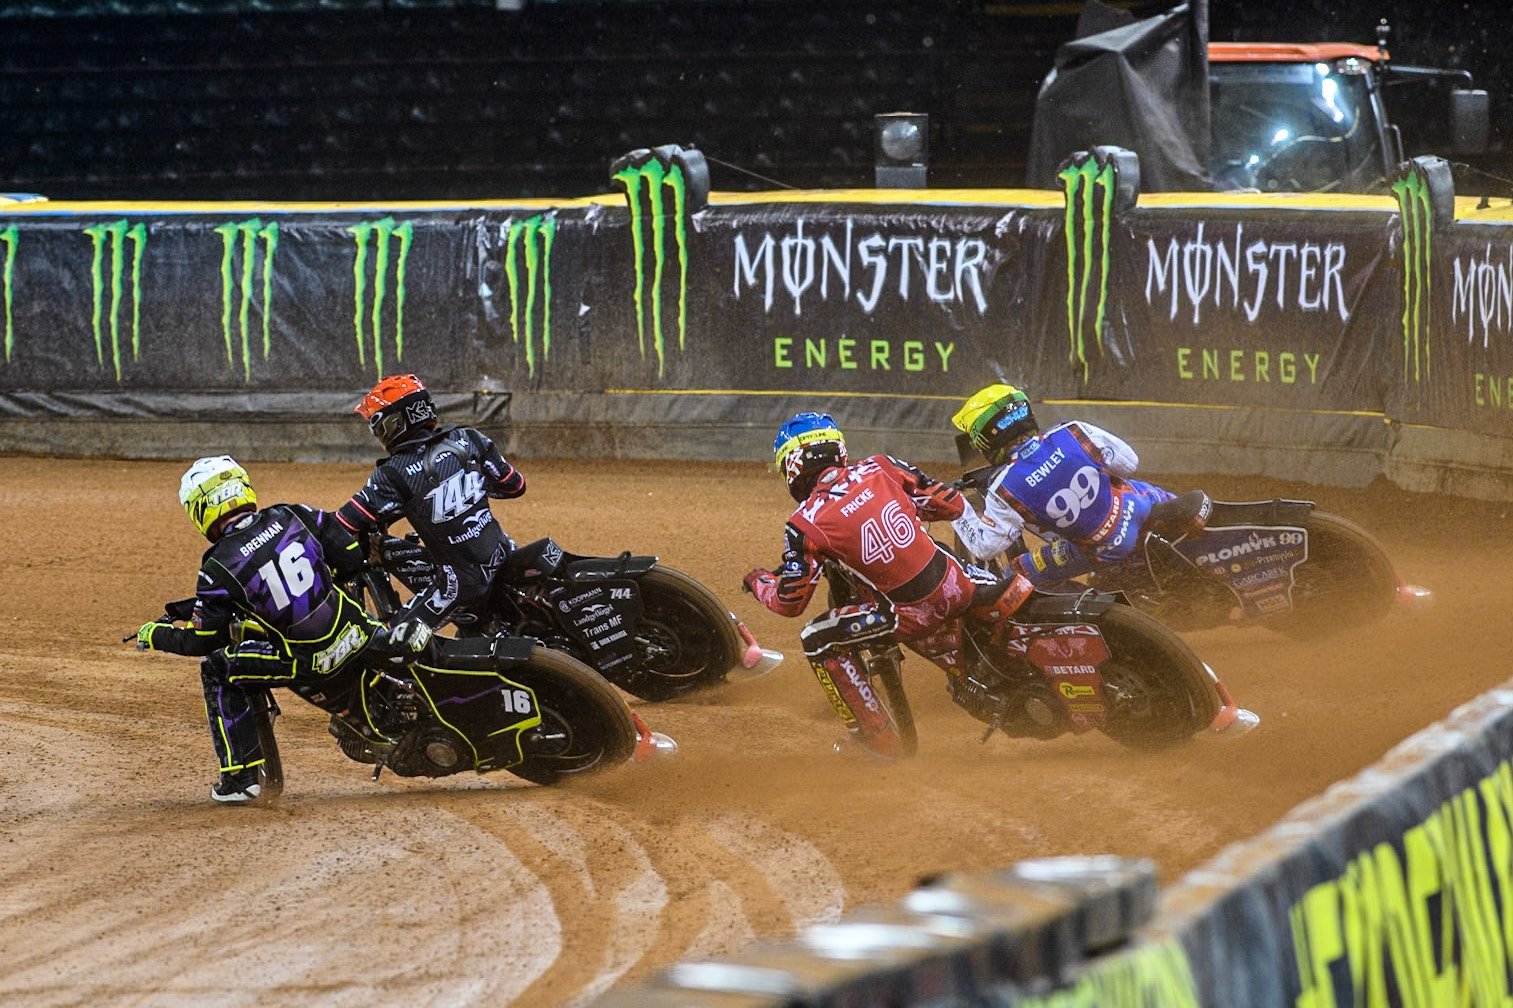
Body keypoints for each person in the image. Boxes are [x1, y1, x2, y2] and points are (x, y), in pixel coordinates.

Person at [742, 412, 1034, 759]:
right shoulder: (880, 466)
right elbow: (949, 502)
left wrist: (759, 580)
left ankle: (876, 740)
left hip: (909, 614)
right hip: (959, 584)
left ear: (793, 465)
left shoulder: (803, 524)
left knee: (816, 637)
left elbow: (790, 602)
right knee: (962, 561)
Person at [135, 455, 387, 804]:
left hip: (308, 662)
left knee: (217, 667)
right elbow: (347, 554)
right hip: (361, 633)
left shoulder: (218, 566)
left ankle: (241, 779)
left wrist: (155, 635)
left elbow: (204, 639)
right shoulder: (291, 514)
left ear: (201, 509)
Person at [949, 383, 1207, 585]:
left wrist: (953, 507)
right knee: (1137, 488)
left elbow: (985, 548)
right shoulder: (1072, 432)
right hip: (1146, 505)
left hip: (1108, 548)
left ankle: (1085, 621)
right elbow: (1129, 464)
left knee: (1014, 572)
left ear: (986, 439)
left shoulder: (1004, 490)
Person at [337, 373, 525, 633]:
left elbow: (344, 523)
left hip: (460, 585)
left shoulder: (393, 473)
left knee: (385, 639)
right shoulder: (468, 437)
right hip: (503, 552)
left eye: (378, 426)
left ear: (396, 423)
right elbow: (515, 486)